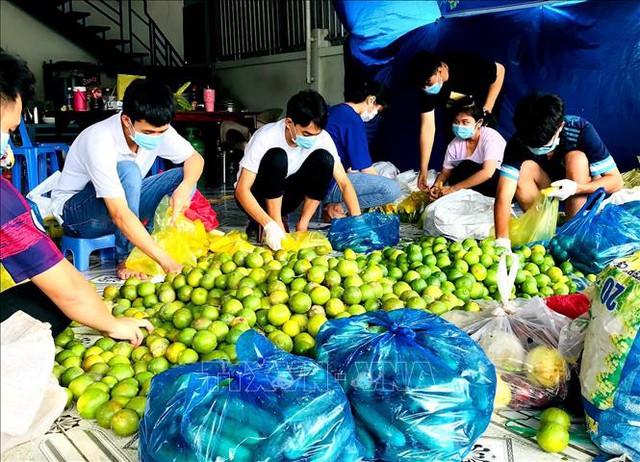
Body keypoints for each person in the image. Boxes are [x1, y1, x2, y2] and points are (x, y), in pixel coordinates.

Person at [0, 48, 151, 343]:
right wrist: (110, 323)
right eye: (8, 129)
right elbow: (63, 285)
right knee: (51, 301)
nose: (8, 142)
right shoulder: (3, 200)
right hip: (75, 210)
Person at [51, 78, 205, 280]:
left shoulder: (159, 129)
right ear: (126, 120)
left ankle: (147, 243)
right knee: (128, 171)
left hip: (122, 204)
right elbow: (119, 213)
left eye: (161, 132)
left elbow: (195, 158)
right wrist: (166, 261)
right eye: (149, 132)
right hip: (78, 216)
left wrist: (185, 187)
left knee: (182, 176)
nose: (156, 137)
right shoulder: (99, 139)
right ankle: (127, 256)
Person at [494, 93, 623, 251]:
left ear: (560, 126)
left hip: (579, 193)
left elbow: (616, 181)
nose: (539, 149)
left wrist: (576, 188)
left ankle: (571, 230)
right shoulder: (520, 140)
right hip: (546, 192)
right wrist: (502, 240)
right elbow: (503, 195)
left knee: (577, 158)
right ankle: (545, 225)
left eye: (544, 144)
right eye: (533, 146)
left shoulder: (580, 129)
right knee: (523, 168)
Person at [235, 89, 361, 250]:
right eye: (306, 134)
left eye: (316, 134)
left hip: (286, 197)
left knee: (325, 159)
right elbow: (242, 190)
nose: (312, 139)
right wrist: (271, 225)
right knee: (277, 156)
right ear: (289, 123)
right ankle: (273, 222)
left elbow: (344, 183)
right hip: (255, 196)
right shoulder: (266, 136)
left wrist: (358, 223)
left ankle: (302, 226)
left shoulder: (321, 139)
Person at [409, 51, 505, 191]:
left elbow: (500, 70)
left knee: (486, 166)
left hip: (481, 112)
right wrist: (424, 169)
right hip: (456, 116)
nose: (426, 88)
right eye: (422, 85)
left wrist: (488, 107)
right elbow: (428, 127)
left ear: (440, 70)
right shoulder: (426, 91)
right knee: (458, 163)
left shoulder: (466, 65)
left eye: (428, 82)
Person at [323, 80, 401, 220]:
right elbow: (366, 170)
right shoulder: (353, 120)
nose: (375, 115)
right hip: (329, 184)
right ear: (371, 100)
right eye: (378, 110)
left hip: (315, 180)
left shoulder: (337, 110)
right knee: (391, 189)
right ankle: (338, 208)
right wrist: (392, 201)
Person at [429, 97, 505, 200]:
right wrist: (436, 187)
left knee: (466, 166)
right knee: (457, 173)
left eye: (465, 122)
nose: (459, 126)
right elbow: (445, 173)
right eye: (456, 121)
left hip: (498, 185)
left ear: (479, 123)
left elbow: (488, 173)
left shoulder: (491, 137)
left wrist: (453, 189)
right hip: (471, 187)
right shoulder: (454, 144)